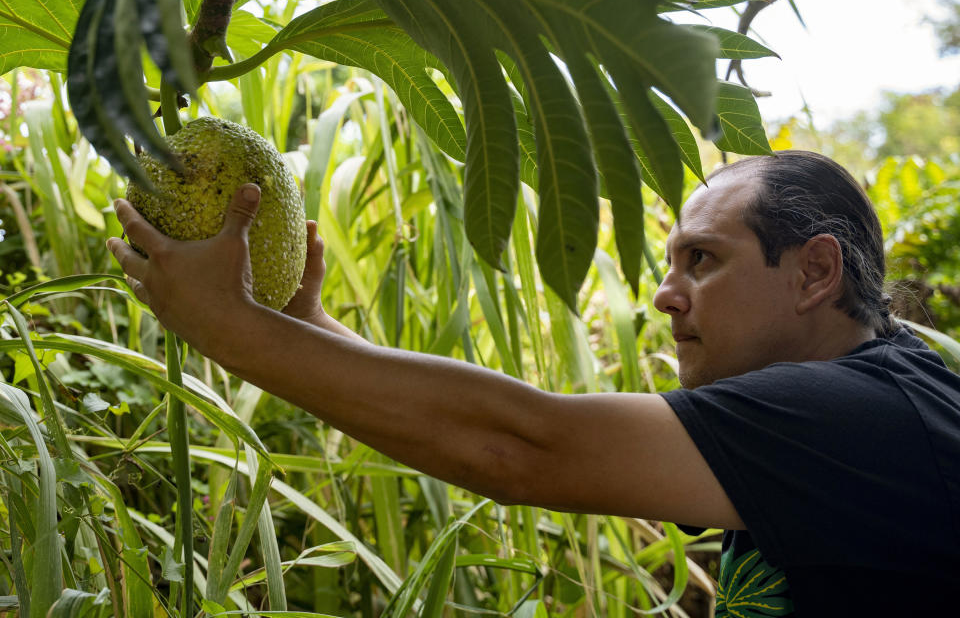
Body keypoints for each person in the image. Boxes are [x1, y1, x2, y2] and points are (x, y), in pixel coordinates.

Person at [107, 150, 960, 616]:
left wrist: (236, 332)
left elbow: (525, 445)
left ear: (814, 272)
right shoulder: (849, 408)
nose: (664, 295)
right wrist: (307, 330)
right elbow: (525, 423)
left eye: (702, 260)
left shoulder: (861, 416)